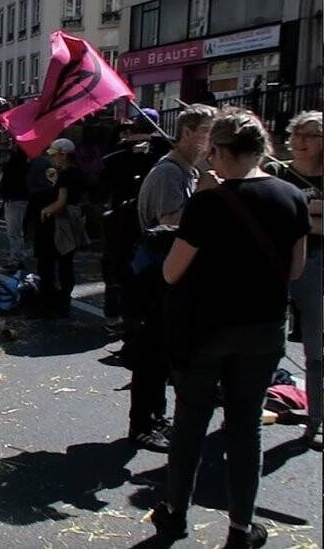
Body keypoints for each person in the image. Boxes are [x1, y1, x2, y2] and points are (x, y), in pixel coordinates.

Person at [151, 109, 310, 549]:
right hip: (262, 327)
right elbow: (295, 270)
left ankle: (175, 512)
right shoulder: (291, 196)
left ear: (218, 150)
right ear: (263, 149)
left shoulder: (207, 202)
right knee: (245, 426)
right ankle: (242, 527)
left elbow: (170, 272)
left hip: (205, 329)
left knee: (190, 422)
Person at [126, 103, 217, 452]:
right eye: (208, 132)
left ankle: (156, 416)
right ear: (190, 132)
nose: (213, 141)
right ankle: (142, 424)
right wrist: (206, 199)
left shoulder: (189, 171)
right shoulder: (169, 173)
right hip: (156, 274)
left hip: (174, 273)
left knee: (165, 351)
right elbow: (169, 223)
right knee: (151, 352)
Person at [98, 109, 171, 329]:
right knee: (125, 263)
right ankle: (124, 313)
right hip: (133, 214)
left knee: (120, 263)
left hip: (135, 215)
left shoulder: (158, 154)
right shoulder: (128, 153)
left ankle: (122, 313)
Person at [276, 110, 323, 449]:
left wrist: (299, 218)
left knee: (315, 350)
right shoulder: (278, 173)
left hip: (316, 268)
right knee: (263, 342)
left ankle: (316, 421)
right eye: (297, 134)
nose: (300, 141)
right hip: (275, 267)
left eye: (310, 135)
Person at [35, 138, 86, 316]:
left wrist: (45, 211)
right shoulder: (76, 172)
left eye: (55, 155)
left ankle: (50, 302)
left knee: (49, 262)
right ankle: (64, 300)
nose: (53, 159)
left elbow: (61, 201)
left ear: (63, 155)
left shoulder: (65, 175)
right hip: (74, 220)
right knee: (66, 263)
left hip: (60, 222)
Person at [0, 142, 31, 270]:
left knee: (14, 232)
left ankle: (16, 259)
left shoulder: (14, 164)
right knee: (17, 231)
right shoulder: (25, 164)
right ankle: (18, 256)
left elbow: (7, 181)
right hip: (19, 199)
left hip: (14, 199)